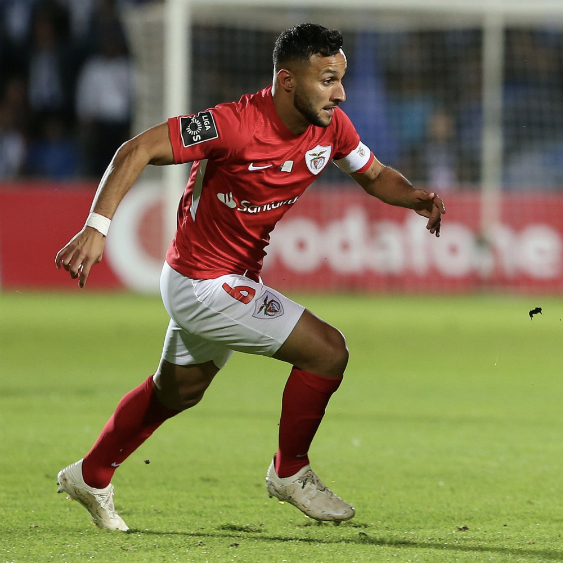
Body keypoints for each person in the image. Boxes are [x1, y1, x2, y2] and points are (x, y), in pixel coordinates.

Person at [54, 23, 445, 531]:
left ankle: (91, 473)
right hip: (200, 281)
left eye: (341, 79)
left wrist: (413, 197)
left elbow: (373, 174)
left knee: (177, 392)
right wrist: (96, 227)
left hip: (228, 280)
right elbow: (137, 149)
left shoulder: (332, 126)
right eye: (327, 80)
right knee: (328, 351)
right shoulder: (232, 124)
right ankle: (290, 471)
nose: (340, 92)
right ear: (288, 81)